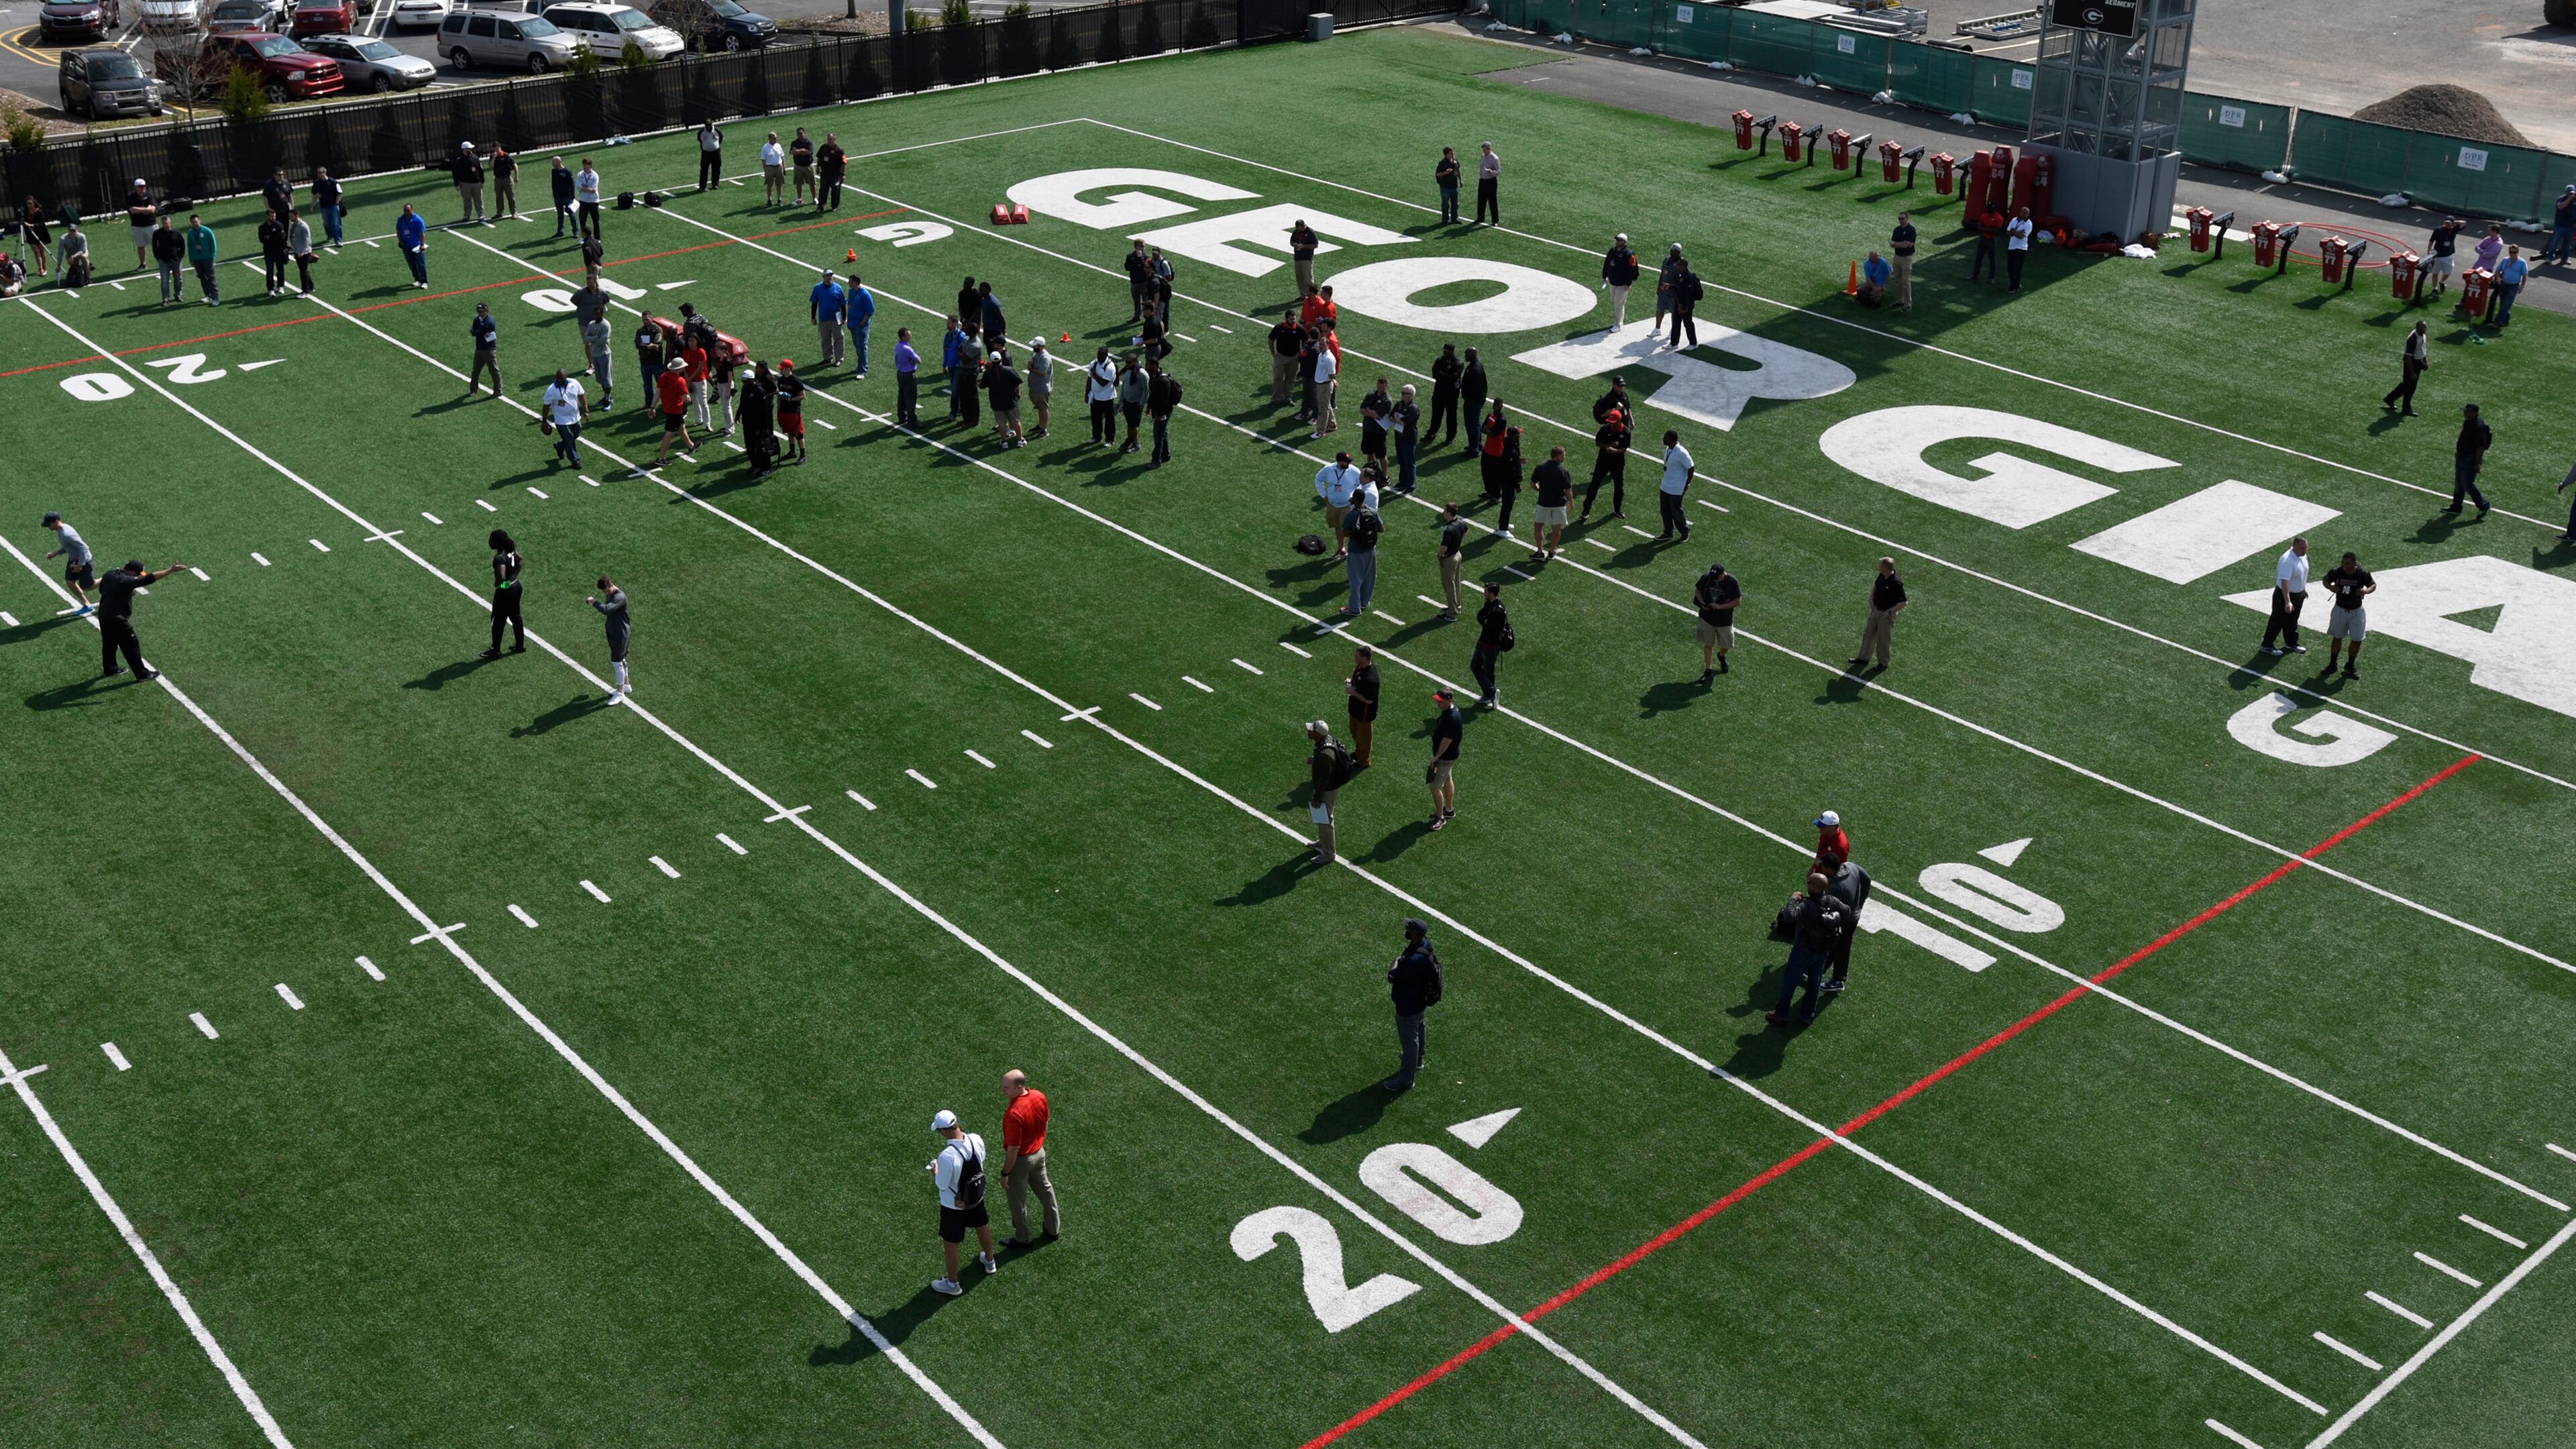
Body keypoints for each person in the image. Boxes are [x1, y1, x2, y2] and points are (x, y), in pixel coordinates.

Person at [1766, 872, 1856, 1028]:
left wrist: (1793, 899)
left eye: (1809, 882)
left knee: (1790, 982)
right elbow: (1847, 912)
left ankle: (1781, 1015)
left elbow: (1789, 917)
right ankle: (1807, 1016)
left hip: (1803, 950)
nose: (1807, 883)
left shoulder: (1807, 906)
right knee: (1814, 983)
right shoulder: (1832, 901)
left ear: (1815, 887)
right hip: (1823, 950)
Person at [926, 1110, 1000, 1296]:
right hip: (976, 1198)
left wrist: (936, 1169)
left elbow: (942, 1185)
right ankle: (990, 1261)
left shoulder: (946, 1156)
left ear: (944, 1132)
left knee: (951, 1243)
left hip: (953, 1207)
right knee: (982, 1226)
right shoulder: (976, 1139)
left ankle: (952, 1284)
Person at [95, 559, 189, 681]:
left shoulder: (109, 574)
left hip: (103, 616)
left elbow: (103, 590)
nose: (138, 577)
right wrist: (171, 570)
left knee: (109, 644)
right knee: (131, 646)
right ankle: (142, 674)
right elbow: (150, 578)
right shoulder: (127, 580)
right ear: (132, 572)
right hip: (118, 620)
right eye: (137, 574)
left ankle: (110, 668)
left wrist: (124, 593)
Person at [999, 1070, 1059, 1246]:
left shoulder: (1013, 1113)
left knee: (1018, 1202)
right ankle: (1053, 1228)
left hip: (1021, 1161)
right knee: (1046, 1190)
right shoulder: (1039, 1096)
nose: (1003, 1090)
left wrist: (1005, 1173)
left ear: (1019, 1087)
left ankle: (1023, 1237)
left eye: (1007, 1087)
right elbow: (1046, 1121)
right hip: (1039, 1154)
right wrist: (1039, 1144)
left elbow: (1014, 1149)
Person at [1383, 918, 1442, 1093]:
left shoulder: (1413, 960)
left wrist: (1396, 961)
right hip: (1419, 1001)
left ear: (1415, 933)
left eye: (1409, 928)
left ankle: (1406, 1079)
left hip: (1408, 1005)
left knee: (1410, 1042)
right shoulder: (1425, 945)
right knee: (1419, 1027)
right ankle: (1418, 1061)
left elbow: (1392, 977)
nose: (1406, 929)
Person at [1821, 857, 1873, 996]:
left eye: (1823, 867)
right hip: (1853, 915)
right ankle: (1821, 969)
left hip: (1846, 920)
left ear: (1829, 868)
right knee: (1837, 946)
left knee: (1840, 947)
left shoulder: (1835, 888)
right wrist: (1861, 902)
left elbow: (1830, 910)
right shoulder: (1852, 866)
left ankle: (1838, 981)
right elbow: (1867, 879)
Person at [1307, 719, 1356, 865]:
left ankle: (1329, 853)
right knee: (1322, 819)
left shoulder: (1325, 755)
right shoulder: (1326, 741)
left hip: (1327, 790)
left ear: (1318, 735)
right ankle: (1323, 842)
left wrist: (1317, 797)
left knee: (1325, 820)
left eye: (1312, 731)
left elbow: (1324, 779)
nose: (1309, 732)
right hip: (1328, 787)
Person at [2320, 550, 2374, 680]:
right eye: (2343, 563)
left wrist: (2365, 591)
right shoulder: (2337, 572)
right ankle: (2333, 664)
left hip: (2356, 611)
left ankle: (2350, 665)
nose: (2345, 565)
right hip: (2340, 609)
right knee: (2337, 637)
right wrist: (2330, 587)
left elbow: (2373, 585)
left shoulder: (2362, 574)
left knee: (2357, 639)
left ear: (2355, 563)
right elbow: (2325, 580)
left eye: (2348, 563)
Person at [1849, 557, 1906, 673]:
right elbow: (1876, 586)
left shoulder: (1896, 582)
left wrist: (1889, 612)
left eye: (1880, 564)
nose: (1878, 565)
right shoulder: (1882, 575)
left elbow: (1904, 602)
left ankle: (1883, 663)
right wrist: (1871, 599)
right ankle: (1863, 658)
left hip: (1886, 614)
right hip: (1876, 610)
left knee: (1883, 639)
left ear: (1885, 568)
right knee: (1868, 634)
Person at [2260, 535, 2310, 657]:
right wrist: (2288, 601)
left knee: (2293, 621)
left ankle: (2291, 642)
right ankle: (2267, 645)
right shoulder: (2288, 560)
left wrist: (2303, 589)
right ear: (2294, 547)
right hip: (2284, 596)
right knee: (2277, 620)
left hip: (2298, 595)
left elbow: (2302, 574)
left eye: (2306, 548)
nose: (2305, 550)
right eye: (2302, 548)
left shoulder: (2302, 556)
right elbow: (2285, 582)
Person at [480, 529, 525, 659]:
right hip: (516, 586)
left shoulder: (499, 558)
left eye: (492, 540)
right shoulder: (510, 551)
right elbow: (519, 561)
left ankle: (495, 649)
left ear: (498, 543)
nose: (489, 542)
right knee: (515, 616)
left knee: (498, 619)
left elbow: (501, 577)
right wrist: (514, 579)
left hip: (506, 590)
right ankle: (520, 644)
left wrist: (500, 585)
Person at [1580, 405, 1629, 523]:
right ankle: (1585, 511)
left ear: (1619, 420)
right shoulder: (1605, 429)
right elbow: (1598, 442)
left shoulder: (1626, 432)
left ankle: (1617, 509)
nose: (1611, 424)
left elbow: (1624, 449)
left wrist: (1615, 451)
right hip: (1603, 461)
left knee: (1619, 488)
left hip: (1617, 463)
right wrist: (1608, 446)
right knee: (1594, 485)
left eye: (1613, 422)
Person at [1693, 559, 1738, 682]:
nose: (1714, 579)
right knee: (1708, 644)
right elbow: (1698, 591)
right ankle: (1708, 670)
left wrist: (1720, 607)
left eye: (1717, 577)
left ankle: (1721, 655)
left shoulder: (1732, 582)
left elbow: (1738, 601)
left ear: (1723, 574)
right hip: (1707, 619)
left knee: (1726, 644)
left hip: (1724, 620)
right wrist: (1702, 603)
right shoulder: (1707, 578)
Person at [42, 511, 95, 615]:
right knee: (70, 582)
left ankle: (108, 577)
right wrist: (55, 554)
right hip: (74, 560)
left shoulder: (66, 534)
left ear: (56, 522)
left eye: (49, 524)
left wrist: (80, 565)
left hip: (84, 561)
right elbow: (68, 546)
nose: (48, 526)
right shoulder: (61, 530)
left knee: (88, 586)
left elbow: (84, 548)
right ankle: (87, 605)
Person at [588, 576, 632, 703]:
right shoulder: (611, 594)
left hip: (620, 634)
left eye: (607, 591)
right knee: (621, 659)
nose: (606, 594)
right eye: (604, 592)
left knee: (616, 662)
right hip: (614, 632)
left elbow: (606, 610)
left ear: (611, 584)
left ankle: (620, 693)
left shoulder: (619, 597)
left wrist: (594, 601)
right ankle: (626, 686)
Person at [1316, 451, 1362, 560]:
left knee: (1348, 529)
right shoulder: (1328, 469)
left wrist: (1355, 497)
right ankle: (1342, 549)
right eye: (1346, 462)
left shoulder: (1354, 471)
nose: (1348, 464)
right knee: (1338, 527)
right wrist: (1324, 496)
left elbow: (1361, 484)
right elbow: (1318, 479)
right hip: (1332, 505)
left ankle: (1355, 550)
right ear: (1340, 462)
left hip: (1348, 505)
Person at [1426, 689, 1462, 830]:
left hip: (1445, 757)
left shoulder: (1452, 718)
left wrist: (1436, 758)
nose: (1437, 703)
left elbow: (1446, 741)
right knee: (1447, 779)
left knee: (1434, 787)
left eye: (1440, 701)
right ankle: (1448, 810)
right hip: (1450, 756)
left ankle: (1440, 818)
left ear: (1449, 700)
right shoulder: (1451, 712)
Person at [1528, 445, 1572, 561]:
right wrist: (1571, 502)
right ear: (1558, 456)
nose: (1565, 457)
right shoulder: (1563, 471)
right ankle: (1552, 551)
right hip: (1559, 504)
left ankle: (1540, 552)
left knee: (1539, 527)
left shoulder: (1540, 468)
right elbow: (1568, 490)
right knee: (1557, 528)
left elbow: (1533, 484)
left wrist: (1539, 489)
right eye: (1563, 455)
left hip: (1544, 502)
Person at [1344, 643, 1384, 768]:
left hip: (1364, 714)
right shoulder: (1361, 667)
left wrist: (1353, 692)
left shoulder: (1370, 679)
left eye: (1357, 656)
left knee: (1364, 739)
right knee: (1355, 733)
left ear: (1364, 659)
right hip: (1355, 710)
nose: (1355, 658)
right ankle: (1359, 753)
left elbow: (1369, 701)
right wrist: (1352, 684)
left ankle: (1364, 761)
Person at [1342, 493, 1382, 617]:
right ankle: (1364, 602)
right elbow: (1382, 529)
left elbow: (1345, 533)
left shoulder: (1352, 515)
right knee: (1369, 577)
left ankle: (1354, 608)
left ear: (1354, 499)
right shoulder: (1372, 511)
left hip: (1356, 551)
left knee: (1355, 580)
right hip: (1371, 549)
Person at [653, 358, 698, 468]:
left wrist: (652, 407)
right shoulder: (680, 381)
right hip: (675, 410)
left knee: (681, 427)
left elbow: (658, 393)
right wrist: (690, 398)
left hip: (667, 408)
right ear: (680, 368)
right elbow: (686, 399)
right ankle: (661, 458)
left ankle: (691, 446)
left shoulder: (663, 377)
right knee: (670, 432)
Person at [2449, 403, 2491, 517]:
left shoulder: (2478, 426)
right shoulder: (2469, 422)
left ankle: (2484, 505)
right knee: (2459, 483)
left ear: (2474, 412)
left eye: (2467, 411)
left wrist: (2477, 463)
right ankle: (2456, 507)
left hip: (2470, 459)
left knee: (2467, 484)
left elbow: (2481, 447)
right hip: (2462, 456)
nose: (2464, 413)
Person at [735, 359, 777, 476]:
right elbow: (742, 402)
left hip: (758, 424)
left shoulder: (759, 391)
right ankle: (755, 465)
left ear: (750, 380)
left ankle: (766, 467)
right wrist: (738, 414)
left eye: (745, 381)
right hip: (747, 422)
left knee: (761, 447)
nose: (743, 383)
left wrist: (765, 427)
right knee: (749, 446)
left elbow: (765, 411)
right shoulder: (745, 388)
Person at [1470, 581, 1508, 708]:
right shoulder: (1490, 604)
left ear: (1491, 593)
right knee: (1475, 666)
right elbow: (1480, 616)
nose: (1484, 593)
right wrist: (1484, 619)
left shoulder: (1498, 610)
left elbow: (1487, 624)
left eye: (1486, 591)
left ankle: (1490, 695)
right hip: (1484, 641)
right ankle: (1490, 694)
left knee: (1488, 670)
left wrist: (1484, 619)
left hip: (1491, 645)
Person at [1432, 502, 1470, 621]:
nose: (1443, 512)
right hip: (1457, 554)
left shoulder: (1449, 529)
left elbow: (1444, 546)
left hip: (1449, 559)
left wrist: (1440, 556)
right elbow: (1465, 531)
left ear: (1448, 513)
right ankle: (1456, 606)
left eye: (1444, 511)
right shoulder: (1460, 523)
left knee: (1449, 585)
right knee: (1456, 583)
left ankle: (1452, 613)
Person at [1655, 429, 1694, 541]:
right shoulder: (1669, 449)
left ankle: (1685, 532)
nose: (1663, 439)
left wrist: (1687, 484)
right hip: (1666, 485)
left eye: (1665, 438)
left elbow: (1691, 468)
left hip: (1677, 488)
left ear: (1671, 440)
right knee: (1664, 510)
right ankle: (1668, 533)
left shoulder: (1682, 453)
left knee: (1676, 512)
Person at [542, 367, 586, 466]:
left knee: (576, 434)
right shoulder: (551, 390)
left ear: (566, 376)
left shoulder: (574, 383)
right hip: (561, 420)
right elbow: (546, 406)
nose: (559, 380)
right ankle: (575, 460)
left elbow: (582, 395)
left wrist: (586, 410)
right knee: (569, 439)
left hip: (575, 417)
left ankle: (560, 446)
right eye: (558, 378)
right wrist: (544, 421)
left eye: (561, 378)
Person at [2384, 320, 2429, 417]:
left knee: (2406, 385)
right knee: (2410, 387)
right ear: (2417, 327)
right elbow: (2408, 357)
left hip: (2418, 362)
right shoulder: (2413, 339)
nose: (2424, 329)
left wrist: (2425, 361)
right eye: (2422, 327)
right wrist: (2412, 372)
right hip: (2412, 363)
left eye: (2425, 327)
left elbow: (2422, 348)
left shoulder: (2423, 335)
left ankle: (2390, 398)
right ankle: (2406, 408)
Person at [1598, 231, 1640, 329]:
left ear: (1624, 242)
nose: (1617, 242)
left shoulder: (1629, 254)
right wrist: (1604, 276)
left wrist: (1628, 283)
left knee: (1618, 303)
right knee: (1615, 302)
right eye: (1617, 240)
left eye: (1619, 240)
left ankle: (1618, 324)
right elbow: (1607, 263)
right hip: (1613, 281)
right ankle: (1619, 321)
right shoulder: (1612, 251)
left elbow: (1632, 269)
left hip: (1623, 284)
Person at [986, 345, 1025, 449]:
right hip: (1010, 400)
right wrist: (1018, 393)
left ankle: (1004, 442)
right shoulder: (1009, 370)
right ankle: (1020, 440)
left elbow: (982, 385)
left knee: (1001, 423)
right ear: (1001, 359)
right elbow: (1017, 383)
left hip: (996, 401)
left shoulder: (989, 373)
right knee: (1016, 421)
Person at [1307, 326, 1342, 439]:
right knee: (1326, 406)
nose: (1321, 346)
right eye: (1320, 344)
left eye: (1323, 345)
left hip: (1325, 385)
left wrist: (1333, 380)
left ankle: (1321, 431)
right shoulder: (1322, 355)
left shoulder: (1329, 358)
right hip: (1321, 384)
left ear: (1328, 345)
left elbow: (1332, 373)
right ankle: (1331, 424)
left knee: (1323, 409)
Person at [1427, 344, 1464, 447]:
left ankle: (1450, 436)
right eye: (1444, 350)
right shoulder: (1440, 360)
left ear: (1452, 351)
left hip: (1451, 396)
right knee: (1436, 415)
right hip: (1439, 393)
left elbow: (1453, 378)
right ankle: (1432, 432)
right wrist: (1445, 376)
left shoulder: (1458, 363)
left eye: (1447, 351)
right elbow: (1435, 374)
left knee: (1451, 417)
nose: (1445, 352)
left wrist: (1442, 375)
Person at [1145, 356, 1180, 466]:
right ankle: (1166, 455)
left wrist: (1159, 415)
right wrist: (1149, 407)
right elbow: (1152, 393)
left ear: (1155, 366)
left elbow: (1164, 400)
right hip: (1156, 409)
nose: (1147, 366)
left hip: (1163, 411)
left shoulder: (1164, 381)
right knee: (1163, 433)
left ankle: (1156, 460)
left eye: (1149, 365)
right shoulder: (1154, 376)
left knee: (1158, 436)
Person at [580, 304, 614, 413]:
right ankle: (606, 397)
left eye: (597, 314)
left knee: (607, 379)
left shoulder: (606, 325)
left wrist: (592, 339)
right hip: (595, 354)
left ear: (602, 314)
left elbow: (603, 341)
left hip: (604, 354)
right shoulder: (591, 324)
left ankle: (608, 400)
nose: (595, 316)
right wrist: (596, 338)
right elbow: (586, 338)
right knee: (600, 379)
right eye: (594, 314)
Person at [811, 268, 848, 368]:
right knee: (825, 339)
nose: (829, 277)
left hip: (836, 318)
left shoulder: (838, 288)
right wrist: (813, 317)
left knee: (839, 338)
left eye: (831, 275)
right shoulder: (817, 288)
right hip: (823, 318)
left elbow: (842, 304)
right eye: (827, 276)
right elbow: (814, 303)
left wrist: (844, 317)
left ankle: (839, 358)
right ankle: (827, 358)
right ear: (823, 277)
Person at [465, 303, 502, 400]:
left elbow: (478, 332)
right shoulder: (477, 320)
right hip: (479, 349)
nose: (480, 313)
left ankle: (498, 391)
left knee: (494, 371)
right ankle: (473, 389)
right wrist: (476, 332)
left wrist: (475, 332)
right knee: (476, 371)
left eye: (481, 311)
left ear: (487, 310)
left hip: (489, 350)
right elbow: (477, 332)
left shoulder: (489, 322)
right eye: (478, 311)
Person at [775, 358, 806, 463]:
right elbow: (779, 396)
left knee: (798, 434)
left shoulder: (796, 381)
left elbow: (803, 396)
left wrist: (791, 399)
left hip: (794, 412)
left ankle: (803, 455)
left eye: (782, 368)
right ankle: (792, 451)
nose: (780, 370)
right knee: (789, 431)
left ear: (788, 368)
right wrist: (779, 409)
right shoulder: (781, 380)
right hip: (784, 411)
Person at [185, 212, 220, 305]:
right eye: (193, 222)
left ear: (199, 221)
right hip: (197, 259)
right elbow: (190, 246)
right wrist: (191, 259)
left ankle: (215, 298)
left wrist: (212, 256)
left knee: (211, 278)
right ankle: (208, 295)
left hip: (207, 258)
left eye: (196, 222)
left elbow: (213, 244)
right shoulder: (190, 232)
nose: (195, 224)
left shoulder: (207, 231)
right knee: (202, 278)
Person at [1116, 351, 1147, 453]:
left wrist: (1142, 403)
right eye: (1126, 362)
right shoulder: (1128, 371)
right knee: (1130, 423)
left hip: (1136, 403)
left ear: (1135, 362)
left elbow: (1146, 390)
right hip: (1127, 402)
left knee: (1134, 425)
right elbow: (1124, 387)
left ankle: (1136, 443)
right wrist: (1121, 401)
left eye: (1129, 363)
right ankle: (1130, 439)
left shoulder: (1142, 374)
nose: (1127, 365)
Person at [1358, 377, 1391, 472]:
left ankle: (1385, 475)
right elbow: (1361, 411)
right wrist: (1372, 413)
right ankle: (1371, 472)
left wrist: (1368, 410)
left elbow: (1378, 416)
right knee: (1369, 452)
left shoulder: (1387, 400)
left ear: (1386, 386)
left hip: (1379, 431)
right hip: (1367, 428)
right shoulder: (1371, 395)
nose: (1380, 389)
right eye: (1379, 387)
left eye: (1382, 387)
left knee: (1381, 455)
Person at [2490, 245, 2528, 327]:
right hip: (2503, 285)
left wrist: (2522, 286)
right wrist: (2498, 277)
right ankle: (2505, 321)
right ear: (2509, 252)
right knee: (2504, 304)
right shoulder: (2505, 260)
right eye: (2511, 252)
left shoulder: (2522, 263)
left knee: (2506, 305)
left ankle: (2497, 323)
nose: (2513, 254)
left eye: (2515, 252)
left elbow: (2525, 276)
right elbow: (2497, 270)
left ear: (2518, 252)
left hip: (2513, 286)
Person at [2423, 216, 2463, 295]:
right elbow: (2431, 240)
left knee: (2448, 273)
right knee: (2435, 272)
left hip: (2448, 256)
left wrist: (2455, 222)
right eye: (2446, 222)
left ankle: (2442, 282)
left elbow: (2464, 223)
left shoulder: (2454, 229)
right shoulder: (2438, 230)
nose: (2447, 224)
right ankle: (2434, 288)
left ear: (2452, 223)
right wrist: (2429, 250)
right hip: (2437, 255)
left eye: (2449, 223)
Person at [124, 178, 157, 272]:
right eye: (140, 187)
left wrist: (140, 210)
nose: (142, 188)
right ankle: (143, 264)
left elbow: (153, 210)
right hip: (137, 225)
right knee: (141, 245)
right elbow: (132, 210)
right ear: (136, 187)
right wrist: (146, 210)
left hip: (151, 224)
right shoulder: (131, 198)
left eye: (143, 186)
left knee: (156, 244)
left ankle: (161, 261)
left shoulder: (149, 196)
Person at [1667, 258, 1701, 349]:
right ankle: (1674, 343)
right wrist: (1669, 287)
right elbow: (1679, 287)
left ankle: (1693, 343)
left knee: (1688, 323)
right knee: (1676, 323)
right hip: (1679, 303)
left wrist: (1684, 306)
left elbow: (1688, 294)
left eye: (1678, 265)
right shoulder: (1681, 276)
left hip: (1686, 305)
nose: (1676, 266)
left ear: (1682, 266)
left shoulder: (1688, 277)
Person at [150, 215, 184, 305]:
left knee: (178, 279)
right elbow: (154, 246)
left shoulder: (177, 233)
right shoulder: (157, 233)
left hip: (176, 261)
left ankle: (178, 295)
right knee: (164, 281)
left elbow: (182, 245)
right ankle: (165, 298)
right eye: (164, 224)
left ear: (170, 223)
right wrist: (158, 257)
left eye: (167, 223)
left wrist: (180, 257)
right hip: (163, 261)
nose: (165, 225)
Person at [847, 273, 875, 377]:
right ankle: (860, 366)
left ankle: (863, 370)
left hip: (861, 326)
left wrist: (863, 322)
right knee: (857, 346)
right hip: (852, 324)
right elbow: (849, 304)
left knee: (862, 347)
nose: (848, 283)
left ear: (855, 282)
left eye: (850, 281)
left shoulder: (865, 294)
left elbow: (870, 311)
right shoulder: (851, 292)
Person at [1024, 337, 1051, 439]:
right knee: (1040, 407)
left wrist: (1031, 369)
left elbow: (1042, 372)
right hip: (1036, 386)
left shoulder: (1045, 358)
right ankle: (1040, 426)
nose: (1032, 347)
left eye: (1034, 346)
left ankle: (1044, 430)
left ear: (1040, 346)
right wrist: (1031, 364)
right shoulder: (1037, 354)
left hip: (1041, 387)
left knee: (1043, 408)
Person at [396, 203, 427, 288]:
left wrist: (422, 244)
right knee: (411, 264)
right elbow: (398, 231)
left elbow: (422, 233)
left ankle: (424, 281)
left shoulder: (418, 220)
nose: (406, 212)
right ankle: (417, 280)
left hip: (416, 246)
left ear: (412, 210)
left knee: (421, 264)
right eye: (405, 211)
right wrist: (401, 242)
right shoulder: (401, 219)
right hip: (406, 246)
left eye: (408, 210)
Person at [1889, 212, 1917, 311]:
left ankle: (1908, 304)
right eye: (1899, 219)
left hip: (1906, 258)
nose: (1901, 220)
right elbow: (1892, 244)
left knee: (1906, 281)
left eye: (1902, 219)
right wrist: (1901, 244)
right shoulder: (1897, 230)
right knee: (1898, 280)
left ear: (1907, 219)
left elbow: (1907, 245)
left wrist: (1897, 244)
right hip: (1897, 257)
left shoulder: (1911, 230)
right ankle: (1899, 300)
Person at [453, 142, 486, 225]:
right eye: (469, 148)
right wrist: (456, 184)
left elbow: (481, 169)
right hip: (464, 183)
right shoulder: (458, 159)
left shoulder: (475, 157)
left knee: (479, 200)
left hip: (477, 182)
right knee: (467, 200)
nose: (471, 150)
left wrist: (482, 181)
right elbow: (455, 172)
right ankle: (467, 215)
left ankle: (481, 215)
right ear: (464, 149)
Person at [257, 209, 288, 296]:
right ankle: (270, 289)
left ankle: (280, 286)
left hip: (279, 251)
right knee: (270, 271)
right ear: (267, 216)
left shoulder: (279, 225)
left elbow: (282, 237)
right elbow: (262, 239)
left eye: (274, 216)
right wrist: (275, 238)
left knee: (280, 270)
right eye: (272, 216)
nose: (274, 217)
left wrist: (270, 238)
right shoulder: (262, 227)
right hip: (268, 252)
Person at [894, 327, 922, 426]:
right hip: (908, 375)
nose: (910, 336)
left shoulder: (898, 346)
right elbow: (919, 361)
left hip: (901, 373)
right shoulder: (907, 349)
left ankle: (902, 417)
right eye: (908, 335)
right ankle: (912, 421)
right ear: (902, 337)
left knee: (902, 396)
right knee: (911, 398)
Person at [2544, 184, 2576, 266]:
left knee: (2567, 244)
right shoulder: (2561, 199)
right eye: (2570, 193)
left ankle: (2565, 259)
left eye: (2573, 193)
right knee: (2554, 243)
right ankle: (2549, 258)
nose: (2572, 195)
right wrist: (2569, 199)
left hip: (2570, 226)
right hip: (2560, 226)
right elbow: (2560, 207)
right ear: (2566, 193)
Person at [1288, 217, 1320, 297]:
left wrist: (1303, 246)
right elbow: (1291, 241)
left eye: (1300, 229)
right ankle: (1303, 295)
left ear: (1303, 226)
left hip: (1307, 258)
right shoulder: (1296, 232)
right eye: (1297, 229)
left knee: (1308, 278)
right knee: (1299, 278)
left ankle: (1312, 296)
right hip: (1297, 258)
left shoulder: (1311, 232)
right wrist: (1294, 245)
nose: (1299, 231)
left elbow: (1316, 245)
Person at [2004, 207, 2034, 290]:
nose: (2025, 215)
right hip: (2012, 247)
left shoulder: (2029, 224)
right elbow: (2007, 232)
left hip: (2021, 248)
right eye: (2024, 213)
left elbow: (2021, 236)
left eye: (2027, 214)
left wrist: (2013, 231)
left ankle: (2015, 287)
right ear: (2020, 213)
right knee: (2010, 267)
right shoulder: (2014, 220)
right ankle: (2013, 282)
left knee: (2017, 268)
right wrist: (2016, 233)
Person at [816, 133, 846, 211]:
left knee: (836, 190)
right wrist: (818, 167)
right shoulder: (824, 147)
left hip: (835, 175)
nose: (828, 141)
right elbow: (819, 157)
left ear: (834, 140)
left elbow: (843, 163)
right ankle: (821, 206)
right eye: (828, 139)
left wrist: (842, 175)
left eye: (830, 139)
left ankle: (834, 206)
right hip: (824, 174)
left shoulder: (839, 151)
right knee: (823, 190)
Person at [1970, 209, 2001, 282]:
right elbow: (1979, 228)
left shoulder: (1998, 218)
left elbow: (1995, 231)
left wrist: (1984, 229)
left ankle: (1991, 278)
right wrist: (1990, 229)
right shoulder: (1984, 216)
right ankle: (1975, 275)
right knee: (1979, 257)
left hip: (1992, 240)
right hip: (1983, 239)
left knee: (1992, 259)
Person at [575, 158, 604, 239]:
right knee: (582, 220)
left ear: (590, 165)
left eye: (586, 165)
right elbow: (578, 187)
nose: (584, 167)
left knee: (596, 221)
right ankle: (584, 238)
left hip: (593, 201)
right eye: (583, 165)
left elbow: (594, 189)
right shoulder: (580, 174)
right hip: (583, 200)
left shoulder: (595, 175)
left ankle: (597, 239)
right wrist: (588, 189)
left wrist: (584, 188)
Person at [548, 156, 576, 237]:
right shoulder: (554, 171)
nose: (552, 164)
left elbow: (572, 185)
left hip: (567, 196)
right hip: (557, 197)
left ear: (558, 162)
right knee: (560, 214)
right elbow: (553, 184)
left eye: (553, 162)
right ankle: (560, 231)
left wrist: (572, 197)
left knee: (571, 214)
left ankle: (575, 231)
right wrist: (554, 194)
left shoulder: (567, 172)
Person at [1473, 142, 1500, 225]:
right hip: (1483, 181)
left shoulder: (1495, 158)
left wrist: (1491, 172)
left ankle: (1495, 220)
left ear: (1489, 148)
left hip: (1491, 181)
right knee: (1481, 200)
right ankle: (1480, 218)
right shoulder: (1483, 156)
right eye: (1483, 149)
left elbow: (1498, 171)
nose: (1484, 151)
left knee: (1492, 201)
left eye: (1485, 149)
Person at [694, 119, 723, 193]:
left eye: (710, 124)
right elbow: (699, 140)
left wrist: (716, 146)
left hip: (716, 153)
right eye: (707, 125)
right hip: (706, 153)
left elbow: (721, 138)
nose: (709, 126)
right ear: (705, 125)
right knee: (704, 169)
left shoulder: (717, 130)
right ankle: (702, 187)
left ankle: (715, 184)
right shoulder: (701, 132)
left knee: (716, 168)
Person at [1434, 147, 1462, 224]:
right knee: (1445, 205)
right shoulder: (1443, 163)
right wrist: (1445, 173)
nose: (1453, 154)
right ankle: (1445, 220)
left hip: (1454, 187)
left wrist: (1461, 180)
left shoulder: (1455, 161)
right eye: (1451, 153)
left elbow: (1458, 170)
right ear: (1446, 154)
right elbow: (1437, 174)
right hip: (1445, 188)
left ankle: (1455, 218)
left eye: (1453, 153)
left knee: (1455, 204)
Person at [491, 146, 519, 220]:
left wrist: (516, 177)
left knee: (510, 196)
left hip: (507, 179)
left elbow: (515, 165)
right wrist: (494, 158)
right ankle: (500, 213)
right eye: (494, 149)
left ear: (500, 148)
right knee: (499, 197)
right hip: (498, 180)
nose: (496, 150)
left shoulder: (506, 155)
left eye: (497, 149)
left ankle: (514, 213)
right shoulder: (493, 156)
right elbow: (491, 166)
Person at [790, 127, 816, 204]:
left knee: (812, 183)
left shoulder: (809, 142)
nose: (800, 135)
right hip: (798, 166)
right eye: (798, 134)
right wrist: (803, 150)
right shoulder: (794, 143)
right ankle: (800, 198)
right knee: (799, 183)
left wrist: (799, 151)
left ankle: (814, 198)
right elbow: (793, 152)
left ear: (804, 133)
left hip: (808, 166)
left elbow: (809, 152)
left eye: (801, 133)